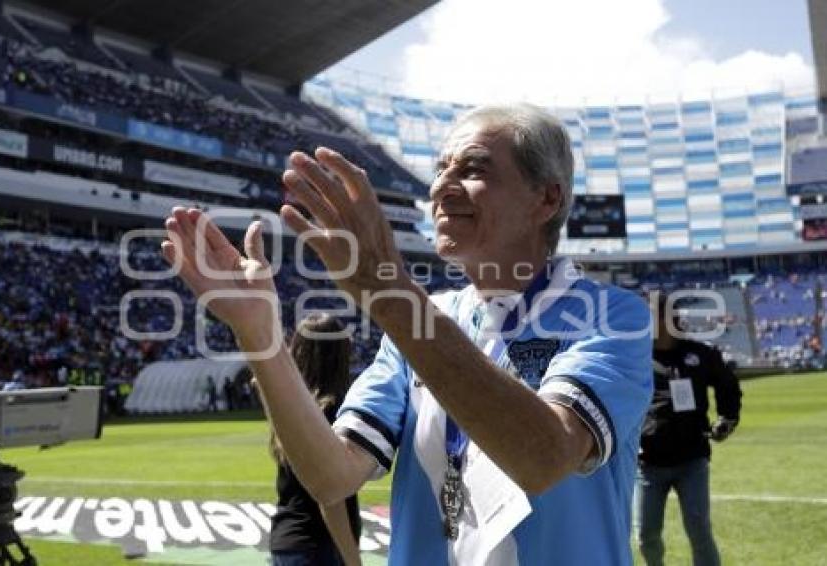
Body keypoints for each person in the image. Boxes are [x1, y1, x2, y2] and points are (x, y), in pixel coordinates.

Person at [163, 102, 653, 564]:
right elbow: (331, 477)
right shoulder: (419, 323)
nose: (442, 186)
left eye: (473, 168)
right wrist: (259, 332)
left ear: (546, 198)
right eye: (441, 168)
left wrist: (388, 291)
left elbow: (545, 458)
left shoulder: (610, 315)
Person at [634, 293, 742, 566]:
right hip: (648, 463)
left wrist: (727, 419)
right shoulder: (634, 356)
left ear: (668, 317)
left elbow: (727, 386)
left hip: (692, 459)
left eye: (651, 315)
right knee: (646, 535)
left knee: (699, 530)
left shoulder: (702, 354)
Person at [265, 313, 362, 566]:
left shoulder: (291, 406)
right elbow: (329, 497)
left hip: (287, 540)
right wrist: (353, 559)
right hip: (320, 545)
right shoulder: (330, 410)